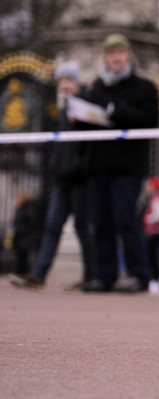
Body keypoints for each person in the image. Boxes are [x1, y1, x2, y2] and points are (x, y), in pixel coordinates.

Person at [80, 33, 159, 293]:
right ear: (105, 57)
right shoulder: (96, 87)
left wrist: (118, 110)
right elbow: (89, 122)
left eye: (119, 53)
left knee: (126, 219)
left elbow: (150, 119)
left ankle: (139, 275)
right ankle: (105, 276)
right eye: (111, 53)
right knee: (101, 222)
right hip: (98, 164)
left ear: (128, 56)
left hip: (128, 166)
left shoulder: (144, 87)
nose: (115, 57)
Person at [9, 61, 95, 291]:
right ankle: (39, 274)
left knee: (82, 228)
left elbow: (93, 141)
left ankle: (91, 275)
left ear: (76, 82)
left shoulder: (86, 104)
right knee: (52, 224)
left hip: (80, 178)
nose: (64, 86)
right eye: (61, 82)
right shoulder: (64, 107)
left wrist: (82, 125)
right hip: (64, 178)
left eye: (68, 81)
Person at [141, 176, 159, 293]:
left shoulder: (157, 199)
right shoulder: (154, 198)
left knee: (154, 256)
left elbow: (158, 215)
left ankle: (156, 278)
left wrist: (147, 219)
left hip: (155, 232)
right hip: (153, 231)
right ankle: (155, 277)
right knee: (152, 256)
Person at [5, 193, 42, 276]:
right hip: (19, 238)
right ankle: (20, 274)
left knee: (24, 258)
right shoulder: (19, 210)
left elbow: (33, 223)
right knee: (20, 258)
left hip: (25, 238)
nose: (17, 201)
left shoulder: (29, 209)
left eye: (19, 199)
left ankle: (25, 274)